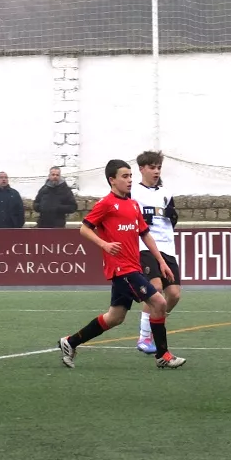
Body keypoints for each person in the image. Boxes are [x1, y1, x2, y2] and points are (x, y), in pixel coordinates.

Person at [58, 158, 183, 369]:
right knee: (159, 302)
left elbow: (145, 234)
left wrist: (162, 261)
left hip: (132, 267)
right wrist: (104, 244)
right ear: (112, 180)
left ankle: (70, 342)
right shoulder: (106, 203)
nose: (130, 180)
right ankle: (162, 355)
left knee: (114, 318)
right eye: (125, 176)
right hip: (121, 269)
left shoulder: (133, 205)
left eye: (131, 176)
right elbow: (84, 228)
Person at [133, 150, 183, 355]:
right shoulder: (133, 192)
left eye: (159, 168)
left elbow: (172, 220)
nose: (156, 171)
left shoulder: (166, 193)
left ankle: (156, 321)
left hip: (167, 247)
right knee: (156, 289)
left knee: (174, 295)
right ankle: (144, 336)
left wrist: (173, 216)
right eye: (152, 167)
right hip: (145, 245)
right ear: (142, 169)